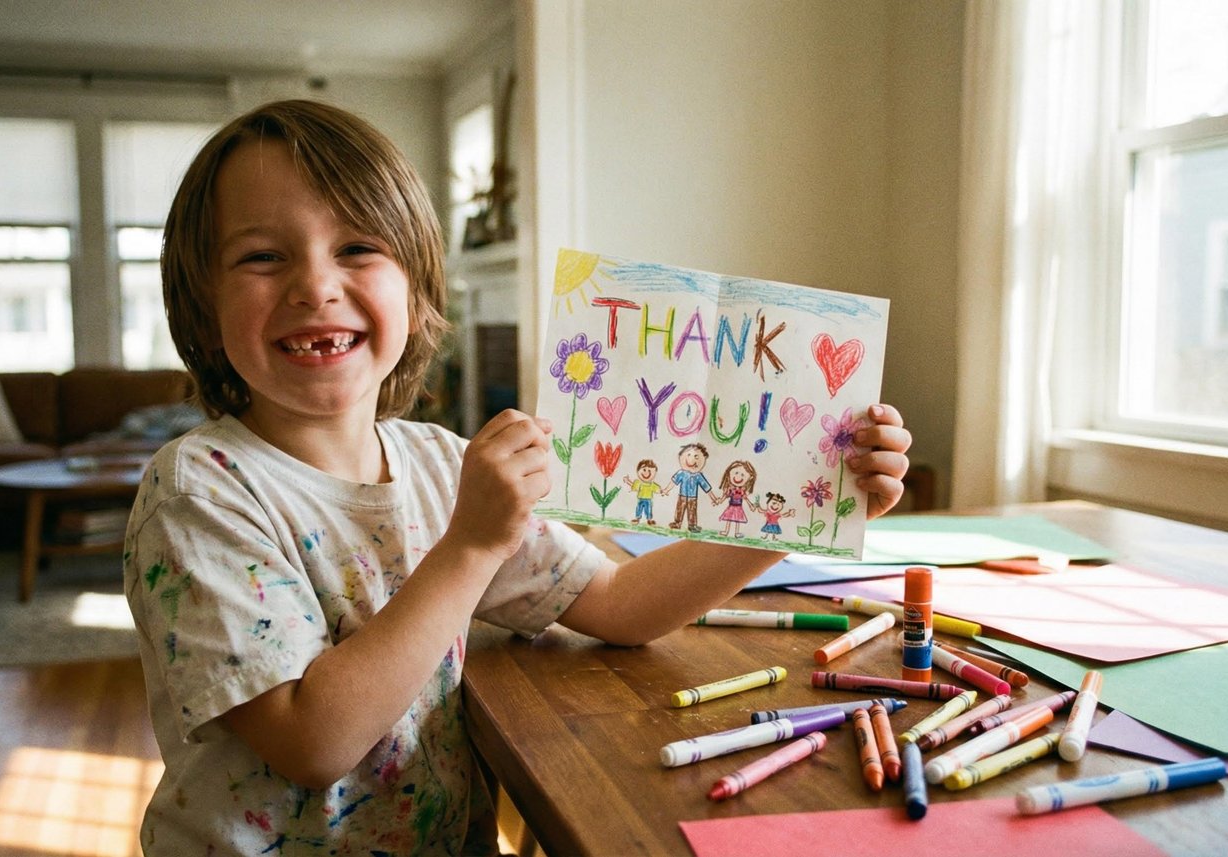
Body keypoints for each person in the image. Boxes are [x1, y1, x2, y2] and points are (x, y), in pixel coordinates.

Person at [124, 99, 913, 857]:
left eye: (358, 247)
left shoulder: (438, 465)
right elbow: (312, 738)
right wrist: (470, 546)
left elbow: (622, 605)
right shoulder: (198, 490)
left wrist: (798, 505)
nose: (314, 286)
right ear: (201, 300)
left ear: (417, 283)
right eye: (263, 257)